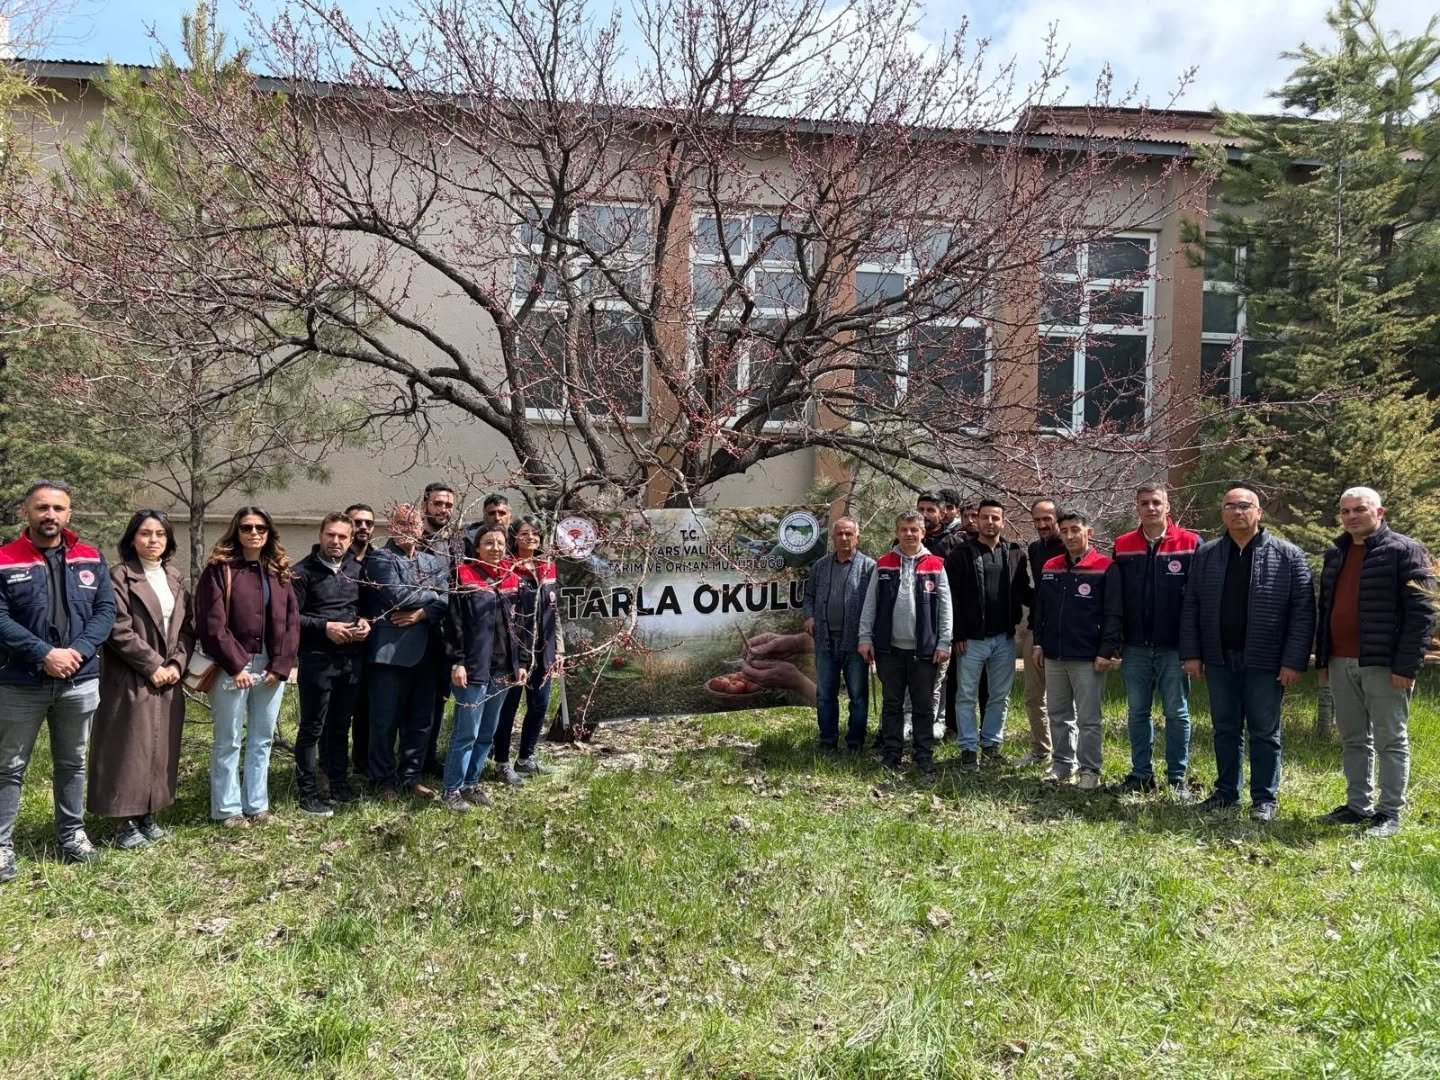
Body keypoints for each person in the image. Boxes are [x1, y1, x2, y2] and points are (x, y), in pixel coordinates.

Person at [0, 481, 116, 881]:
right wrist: (44, 654)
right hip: (19, 682)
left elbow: (105, 612)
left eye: (58, 508)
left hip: (79, 680)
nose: (50, 515)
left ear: (69, 514)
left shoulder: (90, 557)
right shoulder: (5, 559)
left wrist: (77, 652)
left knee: (72, 762)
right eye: (42, 508)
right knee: (10, 765)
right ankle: (1, 846)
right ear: (26, 512)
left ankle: (72, 835)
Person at [1180, 487, 1315, 822]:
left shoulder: (1288, 556)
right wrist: (1193, 654)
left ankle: (1264, 800)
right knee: (1224, 729)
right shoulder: (1207, 555)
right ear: (1222, 513)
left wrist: (1293, 660)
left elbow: (1303, 613)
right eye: (1230, 506)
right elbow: (1191, 606)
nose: (1237, 512)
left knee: (1264, 732)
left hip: (1266, 661)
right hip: (1219, 658)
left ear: (1259, 513)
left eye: (1244, 506)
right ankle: (1226, 793)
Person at [1314, 487, 1435, 839]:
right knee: (1353, 738)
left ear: (1379, 512)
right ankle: (1357, 806)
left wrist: (1406, 666)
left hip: (1384, 664)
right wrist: (1324, 657)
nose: (1352, 516)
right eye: (1346, 510)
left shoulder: (1404, 550)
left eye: (1360, 510)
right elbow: (1326, 610)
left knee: (1390, 740)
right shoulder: (1336, 553)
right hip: (1340, 660)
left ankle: (1389, 813)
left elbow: (1423, 611)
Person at [88, 510, 194, 850]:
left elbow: (187, 627)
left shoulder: (175, 578)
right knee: (127, 748)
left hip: (169, 677)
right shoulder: (119, 576)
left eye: (160, 534)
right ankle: (123, 821)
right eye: (146, 533)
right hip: (131, 675)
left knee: (161, 746)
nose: (153, 540)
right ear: (132, 538)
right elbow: (117, 628)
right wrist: (152, 665)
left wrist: (177, 663)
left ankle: (149, 813)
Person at [197, 506, 300, 828]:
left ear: (269, 533)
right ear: (236, 531)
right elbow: (211, 624)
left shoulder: (279, 572)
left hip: (271, 665)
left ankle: (256, 805)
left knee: (262, 738)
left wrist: (281, 665)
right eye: (246, 527)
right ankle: (228, 809)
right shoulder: (219, 570)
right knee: (228, 739)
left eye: (260, 528)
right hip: (233, 665)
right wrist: (236, 666)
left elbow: (292, 622)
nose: (254, 533)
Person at [1112, 483, 1202, 798]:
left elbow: (1199, 598)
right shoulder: (1123, 545)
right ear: (1136, 508)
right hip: (1135, 646)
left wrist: (1194, 647)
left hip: (1174, 647)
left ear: (1167, 507)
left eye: (1156, 502)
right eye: (1144, 503)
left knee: (1177, 712)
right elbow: (1116, 598)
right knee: (1137, 712)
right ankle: (1141, 775)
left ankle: (1177, 778)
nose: (1150, 508)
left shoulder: (1191, 543)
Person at [364, 503, 450, 801]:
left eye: (413, 524)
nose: (408, 529)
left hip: (427, 653)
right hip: (390, 654)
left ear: (421, 527)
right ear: (391, 526)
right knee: (385, 721)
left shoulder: (431, 561)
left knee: (420, 720)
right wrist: (432, 597)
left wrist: (421, 614)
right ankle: (383, 780)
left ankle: (410, 777)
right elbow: (397, 595)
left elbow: (449, 598)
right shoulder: (380, 558)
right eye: (402, 523)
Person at [1032, 510, 1123, 789]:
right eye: (1066, 531)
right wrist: (1038, 642)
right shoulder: (1051, 566)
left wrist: (1106, 650)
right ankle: (1062, 764)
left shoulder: (1105, 567)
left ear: (1089, 533)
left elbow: (1114, 613)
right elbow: (1041, 608)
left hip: (1088, 656)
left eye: (1075, 530)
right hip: (1054, 654)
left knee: (1088, 719)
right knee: (1058, 714)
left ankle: (1089, 770)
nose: (1070, 535)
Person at [858, 511, 952, 774]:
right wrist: (865, 638)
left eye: (914, 529)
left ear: (923, 532)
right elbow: (870, 604)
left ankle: (923, 755)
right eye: (903, 529)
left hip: (925, 650)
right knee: (892, 704)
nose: (909, 534)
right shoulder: (884, 563)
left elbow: (946, 608)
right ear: (897, 532)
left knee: (923, 705)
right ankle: (891, 754)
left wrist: (944, 642)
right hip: (889, 650)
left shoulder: (936, 565)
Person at [292, 513, 371, 816]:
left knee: (340, 725)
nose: (336, 541)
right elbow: (292, 619)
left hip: (350, 659)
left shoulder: (357, 570)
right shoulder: (302, 573)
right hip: (317, 660)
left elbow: (364, 608)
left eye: (342, 537)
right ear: (321, 535)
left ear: (351, 540)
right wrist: (326, 627)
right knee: (312, 727)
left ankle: (338, 782)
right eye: (331, 535)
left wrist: (365, 623)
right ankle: (308, 791)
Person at [946, 498, 1031, 769]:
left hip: (1004, 639)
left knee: (999, 695)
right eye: (985, 517)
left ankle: (992, 745)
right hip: (971, 640)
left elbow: (1023, 591)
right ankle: (968, 748)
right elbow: (952, 598)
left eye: (995, 518)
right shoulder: (961, 554)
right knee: (966, 694)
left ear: (1002, 522)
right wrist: (956, 634)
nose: (990, 522)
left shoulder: (1015, 552)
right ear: (976, 520)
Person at [443, 524, 523, 810]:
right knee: (467, 732)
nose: (496, 548)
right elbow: (454, 624)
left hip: (502, 668)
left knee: (488, 731)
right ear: (476, 548)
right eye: (488, 543)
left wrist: (521, 663)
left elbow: (519, 626)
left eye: (500, 543)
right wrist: (458, 661)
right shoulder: (462, 576)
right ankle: (451, 789)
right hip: (472, 668)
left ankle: (471, 783)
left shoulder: (511, 578)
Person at [493, 515, 559, 783]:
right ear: (513, 537)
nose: (531, 537)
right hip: (514, 652)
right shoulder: (506, 568)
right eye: (524, 533)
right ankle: (501, 762)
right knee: (507, 708)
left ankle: (526, 758)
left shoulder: (548, 568)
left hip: (544, 650)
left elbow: (556, 614)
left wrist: (559, 651)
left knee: (539, 705)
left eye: (535, 533)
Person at [802, 517, 875, 752]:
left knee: (858, 696)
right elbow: (809, 596)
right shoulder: (820, 566)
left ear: (857, 538)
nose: (844, 538)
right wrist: (809, 616)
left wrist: (869, 637)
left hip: (855, 644)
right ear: (832, 538)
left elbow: (876, 604)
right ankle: (827, 741)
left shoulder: (869, 567)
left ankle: (855, 743)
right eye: (839, 534)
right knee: (825, 695)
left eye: (849, 534)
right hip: (825, 641)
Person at [1018, 498, 1064, 767]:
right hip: (1037, 628)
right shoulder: (1035, 549)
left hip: (1065, 632)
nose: (1042, 524)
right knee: (1034, 696)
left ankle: (1067, 754)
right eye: (1037, 520)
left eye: (1047, 518)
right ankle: (1040, 750)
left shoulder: (1070, 544)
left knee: (1063, 699)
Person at [419, 482, 460, 777]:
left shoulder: (457, 546)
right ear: (425, 505)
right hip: (415, 634)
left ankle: (428, 757)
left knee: (437, 702)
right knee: (415, 704)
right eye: (438, 504)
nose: (443, 510)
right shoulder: (412, 541)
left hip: (446, 638)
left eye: (448, 505)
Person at [344, 503, 376, 777]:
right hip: (339, 645)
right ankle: (332, 763)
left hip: (372, 644)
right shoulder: (334, 561)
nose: (363, 527)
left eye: (368, 523)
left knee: (366, 707)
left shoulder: (379, 560)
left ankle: (362, 762)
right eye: (357, 522)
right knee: (339, 711)